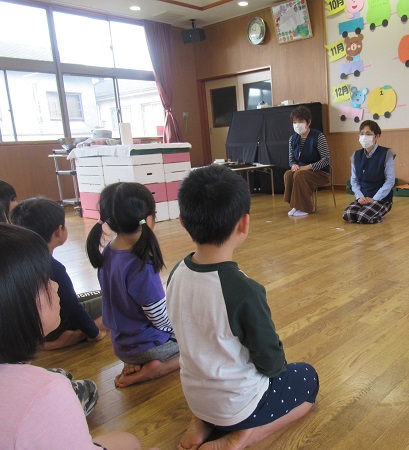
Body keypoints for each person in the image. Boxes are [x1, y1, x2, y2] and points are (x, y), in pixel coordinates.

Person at [168, 165, 319, 450]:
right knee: (308, 379)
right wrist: (280, 370)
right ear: (244, 224)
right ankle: (250, 434)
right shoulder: (243, 290)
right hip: (239, 405)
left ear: (183, 222)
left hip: (196, 396)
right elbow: (270, 360)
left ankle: (202, 421)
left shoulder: (176, 273)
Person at [0, 223, 146, 450]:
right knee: (130, 440)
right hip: (49, 399)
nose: (55, 285)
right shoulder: (47, 393)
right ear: (15, 303)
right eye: (44, 281)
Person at [86, 182, 180, 388]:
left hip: (122, 345)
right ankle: (158, 368)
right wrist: (179, 326)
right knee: (202, 342)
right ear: (147, 218)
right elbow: (158, 316)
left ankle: (137, 363)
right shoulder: (141, 263)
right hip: (147, 346)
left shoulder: (109, 251)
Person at [10, 197, 106, 350]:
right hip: (53, 326)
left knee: (101, 294)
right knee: (114, 302)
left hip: (30, 328)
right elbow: (74, 308)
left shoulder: (17, 261)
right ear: (58, 231)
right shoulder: (53, 268)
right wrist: (96, 334)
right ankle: (65, 339)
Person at [343, 120, 396, 224]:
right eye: (362, 133)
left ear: (377, 136)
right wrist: (359, 196)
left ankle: (376, 214)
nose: (364, 137)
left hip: (381, 199)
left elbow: (390, 180)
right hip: (363, 197)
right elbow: (354, 180)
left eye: (368, 134)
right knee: (348, 215)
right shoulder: (356, 155)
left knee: (363, 217)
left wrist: (375, 198)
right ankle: (367, 211)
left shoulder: (386, 153)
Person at [284, 105, 331, 217]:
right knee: (288, 174)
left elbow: (326, 159)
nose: (297, 125)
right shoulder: (292, 139)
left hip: (320, 172)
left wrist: (307, 167)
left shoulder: (318, 137)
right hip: (301, 170)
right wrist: (293, 165)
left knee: (300, 175)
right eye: (294, 122)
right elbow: (291, 159)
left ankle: (306, 208)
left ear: (308, 122)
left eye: (300, 122)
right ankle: (296, 205)